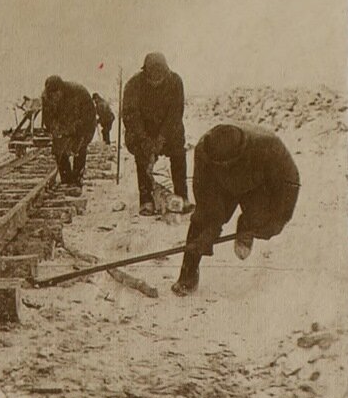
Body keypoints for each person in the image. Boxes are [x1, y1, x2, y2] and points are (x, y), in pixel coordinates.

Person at [171, 123, 300, 296]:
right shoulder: (204, 151)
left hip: (256, 185)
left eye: (227, 165)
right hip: (220, 187)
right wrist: (209, 232)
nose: (224, 168)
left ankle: (246, 225)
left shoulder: (268, 147)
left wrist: (279, 219)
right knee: (201, 224)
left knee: (263, 220)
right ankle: (188, 273)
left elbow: (289, 184)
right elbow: (206, 199)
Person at [123, 52, 194, 216]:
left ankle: (182, 196)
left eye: (160, 76)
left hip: (169, 130)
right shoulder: (133, 85)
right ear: (145, 72)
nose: (156, 80)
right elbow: (131, 116)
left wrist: (161, 139)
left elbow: (175, 114)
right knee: (143, 157)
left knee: (178, 154)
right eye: (152, 76)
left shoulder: (175, 81)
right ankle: (146, 199)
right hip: (142, 130)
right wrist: (145, 141)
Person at [41, 75, 97, 186]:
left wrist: (72, 129)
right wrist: (54, 128)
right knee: (58, 149)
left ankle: (77, 180)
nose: (54, 98)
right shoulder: (46, 98)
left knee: (79, 148)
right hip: (63, 126)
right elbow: (47, 119)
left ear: (61, 90)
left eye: (56, 94)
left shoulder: (79, 93)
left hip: (82, 126)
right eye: (51, 96)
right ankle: (66, 179)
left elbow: (88, 119)